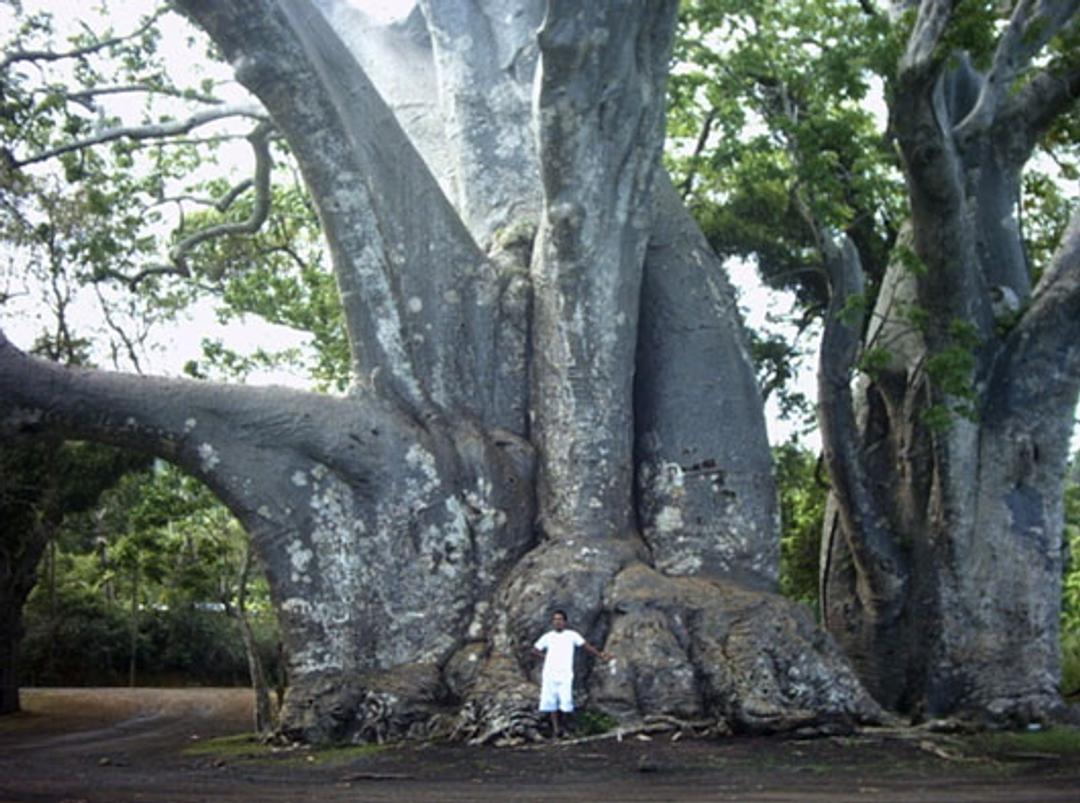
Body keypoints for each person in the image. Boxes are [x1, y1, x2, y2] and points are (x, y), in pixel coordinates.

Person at [532, 609, 612, 738]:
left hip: (565, 673)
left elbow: (586, 646)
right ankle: (556, 729)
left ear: (565, 622)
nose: (557, 622)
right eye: (555, 620)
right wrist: (546, 657)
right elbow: (535, 650)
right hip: (550, 673)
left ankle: (565, 728)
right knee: (551, 701)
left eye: (560, 620)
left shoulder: (571, 635)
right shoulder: (548, 637)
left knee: (566, 700)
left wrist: (600, 655)